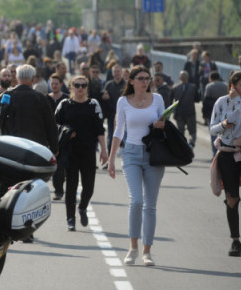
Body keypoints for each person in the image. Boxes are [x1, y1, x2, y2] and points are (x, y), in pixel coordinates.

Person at [107, 65, 166, 266]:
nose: (145, 81)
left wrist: (162, 123)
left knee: (150, 205)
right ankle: (132, 247)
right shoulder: (123, 101)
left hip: (153, 155)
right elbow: (118, 131)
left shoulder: (157, 99)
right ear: (131, 81)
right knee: (137, 201)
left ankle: (147, 251)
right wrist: (111, 159)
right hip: (131, 154)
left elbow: (165, 123)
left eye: (147, 78)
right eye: (141, 78)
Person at [55, 75, 107, 231]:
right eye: (77, 85)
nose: (80, 88)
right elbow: (55, 125)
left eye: (83, 85)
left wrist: (104, 150)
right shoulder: (64, 104)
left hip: (88, 151)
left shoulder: (93, 104)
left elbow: (100, 129)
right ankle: (70, 218)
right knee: (71, 185)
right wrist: (65, 132)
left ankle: (82, 207)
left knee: (89, 186)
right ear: (71, 87)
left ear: (87, 88)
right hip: (70, 151)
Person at [209, 71, 241, 257]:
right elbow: (212, 129)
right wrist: (224, 125)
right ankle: (235, 241)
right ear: (233, 86)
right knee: (232, 198)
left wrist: (239, 101)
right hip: (227, 153)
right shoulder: (221, 102)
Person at [0, 65, 59, 154]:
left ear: (17, 78)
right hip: (37, 148)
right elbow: (50, 125)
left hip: (12, 147)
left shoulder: (5, 97)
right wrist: (54, 149)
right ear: (33, 79)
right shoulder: (41, 98)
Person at [49, 73, 70, 200]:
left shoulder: (67, 99)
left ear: (61, 84)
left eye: (56, 83)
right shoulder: (46, 99)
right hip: (51, 137)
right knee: (56, 165)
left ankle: (67, 185)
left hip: (66, 137)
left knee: (65, 164)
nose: (54, 86)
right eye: (52, 83)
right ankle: (58, 191)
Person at [172, 70, 200, 148]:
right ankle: (191, 144)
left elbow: (171, 101)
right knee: (193, 131)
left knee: (180, 131)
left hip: (179, 113)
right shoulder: (193, 87)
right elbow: (197, 99)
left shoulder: (175, 88)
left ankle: (182, 146)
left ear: (179, 78)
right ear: (188, 77)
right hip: (190, 112)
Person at [203, 71, 229, 155]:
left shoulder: (209, 86)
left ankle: (215, 153)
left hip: (211, 112)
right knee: (224, 133)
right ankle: (223, 151)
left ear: (211, 78)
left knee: (213, 133)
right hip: (224, 112)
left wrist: (204, 114)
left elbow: (205, 101)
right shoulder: (225, 85)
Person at [102, 64, 125, 154]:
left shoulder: (126, 85)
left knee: (125, 137)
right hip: (111, 115)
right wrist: (104, 97)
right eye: (115, 71)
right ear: (112, 73)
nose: (116, 73)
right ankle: (109, 158)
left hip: (124, 115)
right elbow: (103, 98)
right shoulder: (108, 85)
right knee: (111, 136)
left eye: (118, 71)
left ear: (121, 72)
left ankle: (125, 158)